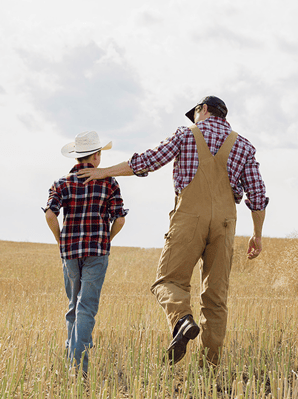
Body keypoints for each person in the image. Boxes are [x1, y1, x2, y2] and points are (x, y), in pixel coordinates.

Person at [78, 96, 268, 366]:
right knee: (216, 297)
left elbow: (146, 161)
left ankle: (182, 320)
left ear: (203, 110)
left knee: (167, 282)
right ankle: (209, 368)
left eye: (196, 114)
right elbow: (258, 196)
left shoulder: (186, 135)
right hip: (226, 224)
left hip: (189, 218)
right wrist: (257, 234)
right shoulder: (244, 146)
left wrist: (104, 172)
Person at [43, 131, 128, 374]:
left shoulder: (61, 183)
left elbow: (50, 214)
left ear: (78, 157)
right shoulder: (109, 182)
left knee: (73, 306)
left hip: (69, 251)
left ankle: (72, 357)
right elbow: (120, 220)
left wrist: (60, 239)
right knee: (86, 307)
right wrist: (107, 240)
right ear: (97, 157)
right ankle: (78, 367)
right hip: (97, 250)